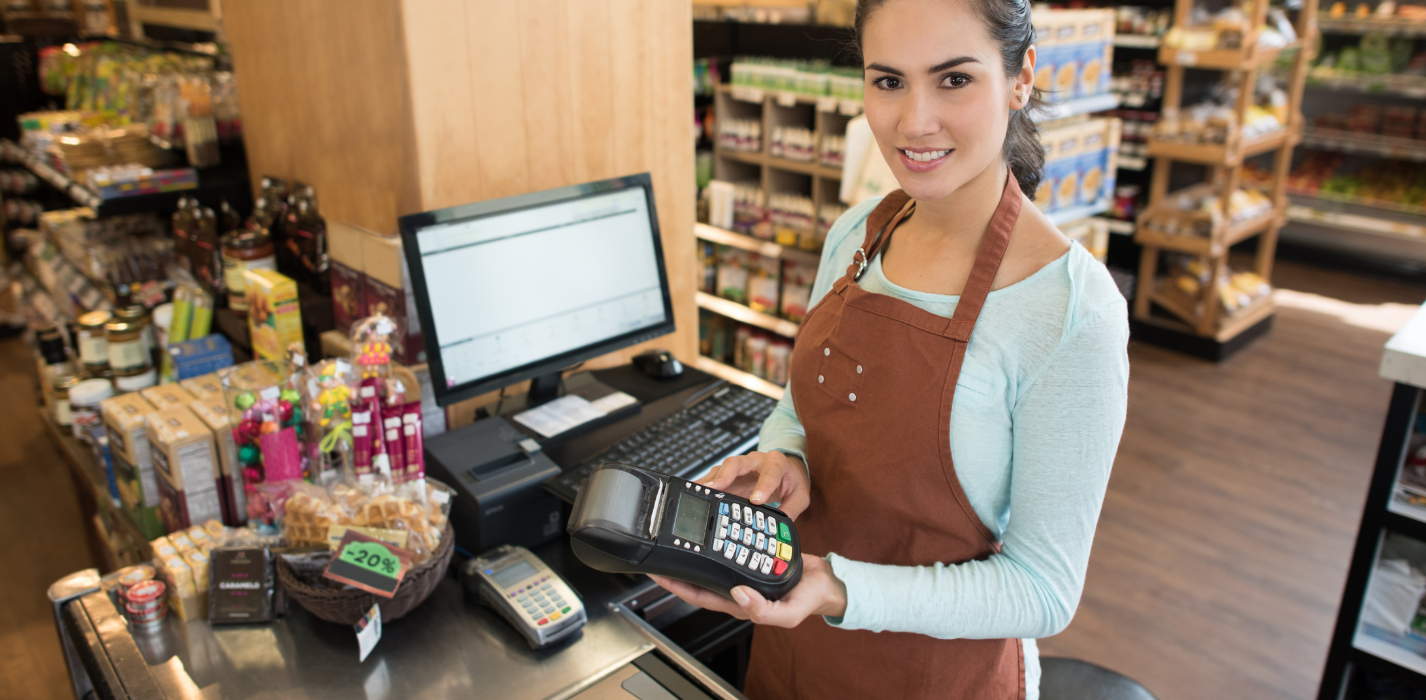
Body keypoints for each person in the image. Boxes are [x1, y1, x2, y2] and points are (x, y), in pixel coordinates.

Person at [648, 0, 1131, 697]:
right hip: (792, 647)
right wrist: (786, 451)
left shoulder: (1068, 311)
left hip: (934, 677)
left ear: (1021, 76)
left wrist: (839, 588)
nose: (914, 122)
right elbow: (801, 403)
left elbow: (1042, 589)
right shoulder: (857, 235)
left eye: (954, 80)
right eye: (889, 81)